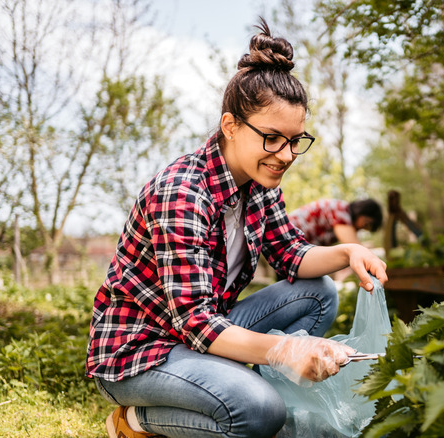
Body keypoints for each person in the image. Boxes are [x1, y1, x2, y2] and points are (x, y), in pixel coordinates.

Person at [85, 18, 388, 438]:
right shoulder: (182, 193)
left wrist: (349, 252)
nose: (286, 155)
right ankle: (137, 419)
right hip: (142, 352)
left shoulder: (259, 185)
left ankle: (237, 393)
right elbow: (195, 321)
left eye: (296, 140)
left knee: (319, 293)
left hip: (202, 332)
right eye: (273, 138)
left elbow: (292, 256)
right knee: (261, 412)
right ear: (230, 126)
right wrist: (286, 349)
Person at [287, 198, 383, 246]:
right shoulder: (341, 210)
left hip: (296, 245)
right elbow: (355, 247)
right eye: (367, 223)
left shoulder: (344, 219)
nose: (363, 227)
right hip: (286, 234)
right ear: (361, 212)